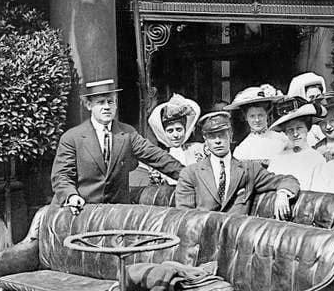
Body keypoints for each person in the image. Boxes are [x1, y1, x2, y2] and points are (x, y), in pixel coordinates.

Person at [52, 78, 183, 211]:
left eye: (110, 102)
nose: (107, 107)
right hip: (82, 212)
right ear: (88, 105)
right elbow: (62, 175)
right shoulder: (72, 138)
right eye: (100, 103)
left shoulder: (127, 133)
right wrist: (71, 196)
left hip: (116, 215)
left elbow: (157, 157)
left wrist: (190, 177)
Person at [175, 112, 297, 218]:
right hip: (202, 239)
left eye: (222, 135)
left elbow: (287, 180)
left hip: (236, 238)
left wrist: (282, 194)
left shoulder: (249, 169)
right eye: (212, 137)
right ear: (205, 140)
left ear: (230, 135)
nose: (217, 140)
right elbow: (185, 217)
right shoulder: (190, 173)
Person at [267, 99, 326, 190]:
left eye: (299, 128)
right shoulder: (278, 158)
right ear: (285, 132)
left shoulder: (317, 159)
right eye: (290, 130)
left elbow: (319, 192)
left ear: (308, 128)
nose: (295, 134)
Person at [146, 93, 205, 181]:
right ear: (163, 133)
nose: (176, 135)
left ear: (185, 130)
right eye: (170, 131)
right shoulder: (158, 156)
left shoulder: (198, 149)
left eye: (179, 129)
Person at [228, 85, 289, 164]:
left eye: (260, 115)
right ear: (246, 117)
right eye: (252, 116)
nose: (257, 120)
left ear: (267, 114)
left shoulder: (282, 139)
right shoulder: (243, 148)